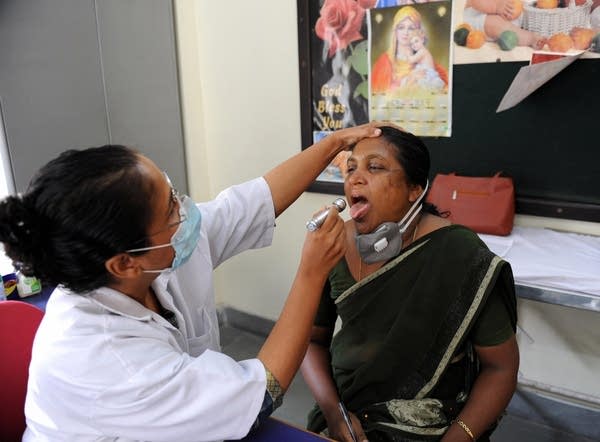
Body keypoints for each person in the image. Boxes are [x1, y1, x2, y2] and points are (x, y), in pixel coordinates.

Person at [0, 124, 381, 441]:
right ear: (124, 262)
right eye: (170, 208)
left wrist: (333, 143)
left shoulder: (150, 255)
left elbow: (251, 204)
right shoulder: (104, 356)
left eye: (172, 191)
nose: (186, 210)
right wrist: (311, 274)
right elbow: (261, 392)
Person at [300, 126, 519, 442]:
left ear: (414, 188)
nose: (355, 179)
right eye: (351, 168)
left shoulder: (459, 253)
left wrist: (459, 437)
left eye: (374, 167)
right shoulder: (331, 245)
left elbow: (501, 369)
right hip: (348, 411)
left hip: (431, 422)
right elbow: (312, 341)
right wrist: (334, 413)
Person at [371, 6, 447, 95]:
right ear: (395, 31)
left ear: (418, 32)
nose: (405, 32)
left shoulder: (425, 60)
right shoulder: (384, 62)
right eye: (401, 27)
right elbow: (378, 93)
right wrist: (410, 80)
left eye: (411, 28)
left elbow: (444, 89)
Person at [463, 0, 545, 48]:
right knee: (495, 23)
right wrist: (497, 6)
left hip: (516, 19)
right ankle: (529, 38)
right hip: (483, 17)